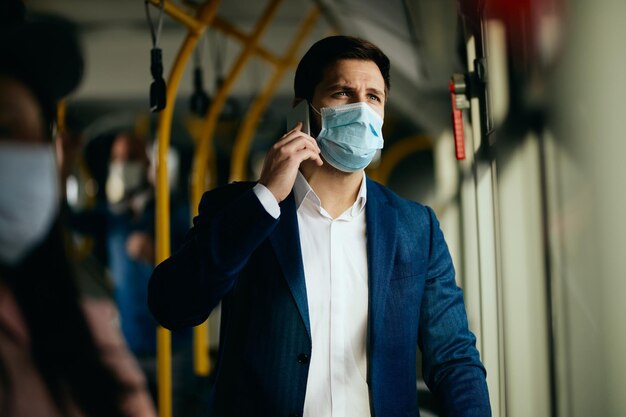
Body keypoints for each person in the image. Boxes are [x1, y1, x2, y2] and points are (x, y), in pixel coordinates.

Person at [148, 35, 491, 417]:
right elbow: (172, 306)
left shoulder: (415, 228)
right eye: (342, 93)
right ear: (303, 112)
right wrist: (264, 198)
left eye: (373, 97)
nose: (361, 109)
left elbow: (453, 358)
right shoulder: (237, 209)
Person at [0, 1, 156, 416]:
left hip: (159, 344)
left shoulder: (86, 339)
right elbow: (65, 219)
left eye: (6, 128)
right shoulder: (110, 216)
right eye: (118, 161)